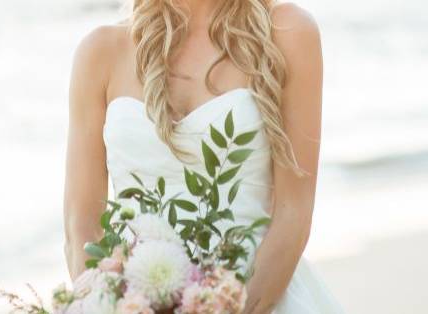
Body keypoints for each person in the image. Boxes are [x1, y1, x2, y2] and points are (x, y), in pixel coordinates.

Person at [63, 0, 345, 313]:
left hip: (259, 297)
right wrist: (106, 304)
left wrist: (230, 307)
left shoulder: (288, 32)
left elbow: (293, 213)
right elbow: (82, 226)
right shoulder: (100, 52)